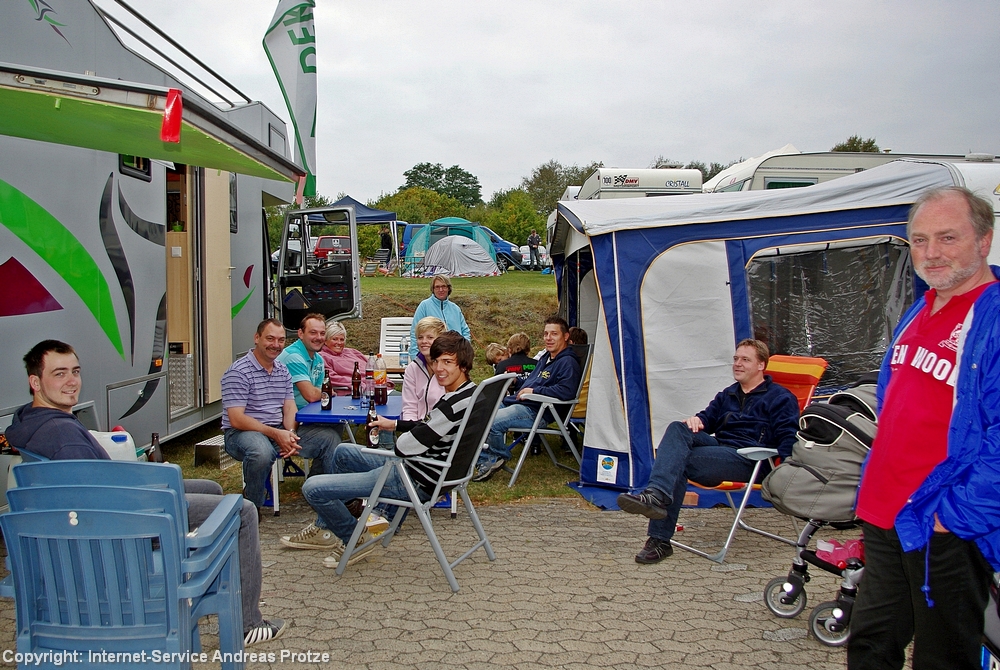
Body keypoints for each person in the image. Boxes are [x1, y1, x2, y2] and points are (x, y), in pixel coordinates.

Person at [5, 340, 286, 646]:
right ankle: (246, 623)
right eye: (59, 374)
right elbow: (100, 502)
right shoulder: (62, 436)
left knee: (212, 489)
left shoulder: (29, 421)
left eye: (75, 371)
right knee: (242, 511)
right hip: (124, 529)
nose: (72, 381)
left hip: (110, 506)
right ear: (36, 382)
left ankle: (200, 588)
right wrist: (149, 489)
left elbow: (94, 485)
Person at [847, 187, 1000, 670]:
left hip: (944, 519)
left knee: (942, 657)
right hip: (887, 511)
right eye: (918, 240)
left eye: (947, 237)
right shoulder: (922, 308)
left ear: (984, 241)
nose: (931, 252)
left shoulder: (991, 315)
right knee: (871, 644)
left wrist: (955, 516)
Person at [279, 332, 477, 568]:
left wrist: (403, 437)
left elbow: (405, 446)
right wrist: (395, 424)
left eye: (448, 362)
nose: (439, 368)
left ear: (463, 364)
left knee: (312, 488)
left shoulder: (451, 405)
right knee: (342, 451)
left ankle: (354, 536)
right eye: (436, 362)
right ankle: (325, 529)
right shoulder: (471, 394)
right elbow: (428, 427)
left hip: (411, 479)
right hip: (428, 470)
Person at [616, 339, 799, 564]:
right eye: (735, 359)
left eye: (745, 359)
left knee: (678, 461)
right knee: (678, 428)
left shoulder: (780, 398)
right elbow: (708, 419)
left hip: (751, 459)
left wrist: (789, 469)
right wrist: (697, 420)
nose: (737, 364)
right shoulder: (729, 394)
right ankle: (658, 495)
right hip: (720, 450)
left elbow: (788, 437)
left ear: (761, 365)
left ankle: (659, 538)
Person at [222, 319, 333, 515]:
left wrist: (289, 432)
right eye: (270, 339)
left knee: (329, 438)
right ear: (257, 338)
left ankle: (318, 493)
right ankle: (251, 509)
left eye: (281, 340)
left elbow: (289, 406)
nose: (276, 345)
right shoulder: (238, 371)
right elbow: (236, 419)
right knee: (261, 453)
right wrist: (276, 434)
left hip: (276, 431)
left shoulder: (282, 370)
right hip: (242, 433)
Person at [473, 316, 581, 482]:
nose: (548, 338)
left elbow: (567, 391)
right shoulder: (546, 358)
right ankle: (485, 460)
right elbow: (533, 382)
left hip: (538, 411)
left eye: (554, 334)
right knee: (479, 415)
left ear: (565, 336)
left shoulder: (567, 362)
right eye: (546, 334)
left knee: (492, 422)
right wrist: (518, 381)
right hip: (522, 402)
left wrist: (535, 390)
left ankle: (496, 458)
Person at [273, 314, 342, 475]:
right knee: (330, 437)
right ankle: (324, 486)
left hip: (305, 415)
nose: (318, 337)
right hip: (284, 423)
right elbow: (311, 395)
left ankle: (318, 480)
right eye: (313, 333)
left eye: (322, 333)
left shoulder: (317, 359)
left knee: (336, 423)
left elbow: (320, 395)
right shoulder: (293, 357)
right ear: (300, 334)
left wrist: (325, 393)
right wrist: (329, 393)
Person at [408, 274, 471, 360]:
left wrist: (464, 351)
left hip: (455, 356)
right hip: (432, 356)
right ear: (433, 289)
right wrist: (415, 358)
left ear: (448, 288)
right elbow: (415, 332)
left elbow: (465, 332)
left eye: (443, 286)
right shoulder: (424, 306)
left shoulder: (455, 308)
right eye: (437, 287)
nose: (441, 290)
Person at [402, 316, 447, 421]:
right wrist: (411, 432)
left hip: (445, 427)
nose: (424, 341)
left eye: (430, 337)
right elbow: (409, 407)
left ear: (441, 340)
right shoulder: (412, 369)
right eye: (420, 337)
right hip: (419, 427)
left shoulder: (450, 368)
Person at [317, 321, 369, 393]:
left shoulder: (353, 352)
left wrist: (386, 381)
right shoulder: (322, 357)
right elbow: (331, 378)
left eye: (342, 339)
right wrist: (359, 383)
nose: (339, 343)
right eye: (334, 339)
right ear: (325, 341)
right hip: (355, 392)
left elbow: (372, 367)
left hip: (377, 386)